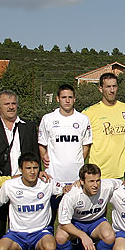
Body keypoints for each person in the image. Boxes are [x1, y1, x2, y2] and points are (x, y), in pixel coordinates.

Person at [0, 89, 39, 245]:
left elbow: (34, 156)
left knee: (22, 226)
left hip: (22, 185)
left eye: (13, 104)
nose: (11, 107)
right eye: (6, 104)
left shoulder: (28, 127)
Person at [0, 153, 62, 250]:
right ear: (20, 169)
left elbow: (65, 189)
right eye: (28, 168)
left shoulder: (47, 183)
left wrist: (73, 184)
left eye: (35, 168)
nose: (32, 172)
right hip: (16, 233)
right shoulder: (10, 186)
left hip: (40, 232)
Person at [38, 83, 92, 227]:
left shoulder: (82, 119)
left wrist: (78, 161)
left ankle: (74, 248)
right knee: (50, 217)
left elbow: (86, 145)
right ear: (57, 99)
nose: (67, 100)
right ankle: (48, 248)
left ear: (74, 99)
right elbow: (42, 143)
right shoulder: (48, 119)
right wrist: (45, 157)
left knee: (75, 218)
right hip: (54, 177)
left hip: (75, 179)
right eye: (63, 97)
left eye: (70, 97)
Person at [56, 164, 121, 250]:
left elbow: (124, 182)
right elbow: (64, 222)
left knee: (109, 236)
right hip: (75, 222)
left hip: (96, 221)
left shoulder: (107, 186)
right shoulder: (72, 195)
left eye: (98, 180)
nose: (95, 185)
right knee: (61, 237)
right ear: (81, 181)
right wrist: (83, 236)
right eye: (91, 181)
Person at [83, 73, 125, 179]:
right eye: (108, 87)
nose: (112, 90)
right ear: (100, 89)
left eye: (114, 86)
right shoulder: (89, 113)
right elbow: (82, 145)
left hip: (122, 173)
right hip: (98, 175)